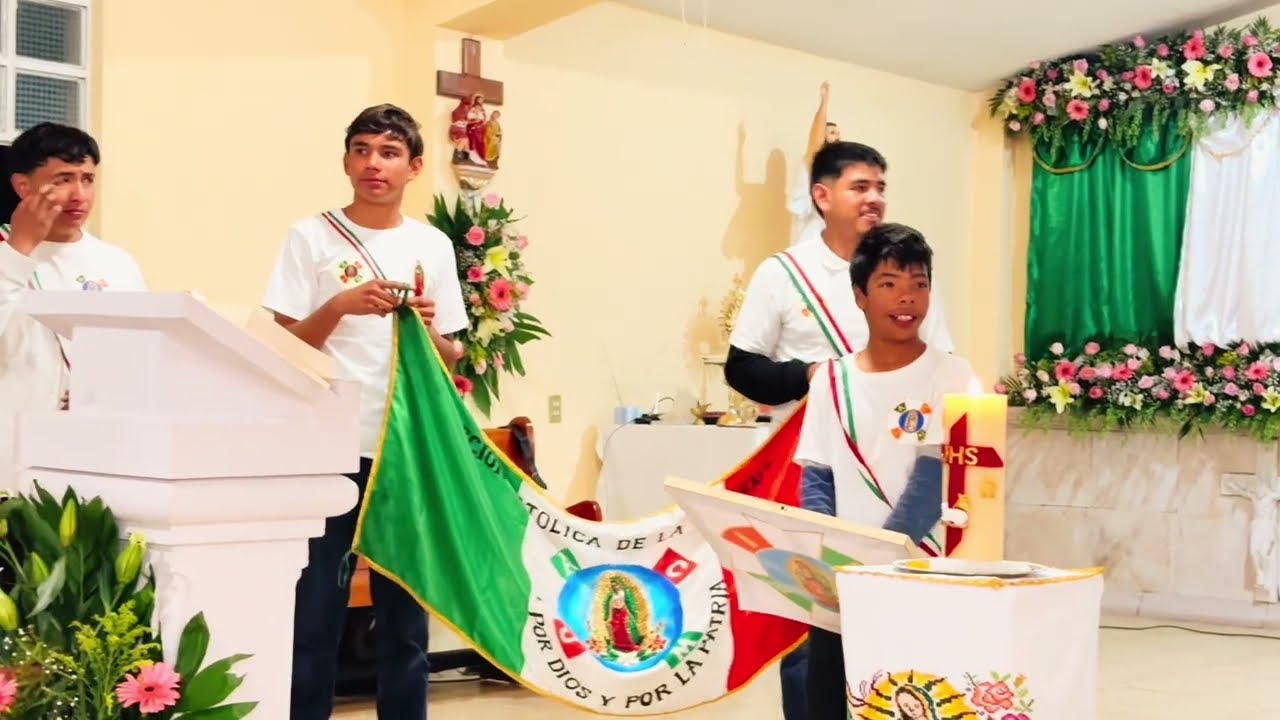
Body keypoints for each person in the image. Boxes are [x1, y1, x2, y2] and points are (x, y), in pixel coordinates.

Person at [724, 140, 953, 720]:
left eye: (881, 187)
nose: (874, 198)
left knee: (898, 622)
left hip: (897, 462)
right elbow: (742, 367)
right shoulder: (784, 274)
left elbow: (939, 360)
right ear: (822, 197)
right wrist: (818, 378)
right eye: (860, 187)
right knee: (814, 619)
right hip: (805, 464)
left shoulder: (907, 271)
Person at [261, 103, 469, 720]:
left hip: (406, 446)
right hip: (328, 445)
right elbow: (280, 345)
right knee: (314, 613)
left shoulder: (430, 244)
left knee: (405, 621)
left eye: (388, 153)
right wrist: (341, 305)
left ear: (414, 167)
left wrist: (433, 331)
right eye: (361, 150)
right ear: (346, 158)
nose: (372, 164)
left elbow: (452, 356)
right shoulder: (309, 236)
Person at [793, 223, 980, 720]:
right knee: (829, 699)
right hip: (841, 585)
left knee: (912, 701)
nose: (907, 298)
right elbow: (816, 479)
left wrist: (878, 567)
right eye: (889, 283)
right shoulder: (831, 379)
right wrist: (833, 564)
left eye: (919, 283)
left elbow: (932, 479)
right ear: (860, 295)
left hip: (920, 574)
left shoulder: (953, 375)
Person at [0, 123, 146, 489]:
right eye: (63, 179)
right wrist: (19, 249)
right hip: (11, 461)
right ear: (23, 186)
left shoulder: (118, 263)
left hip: (96, 457)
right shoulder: (6, 254)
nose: (78, 195)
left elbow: (142, 358)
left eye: (88, 179)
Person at [786, 81, 840, 247]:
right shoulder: (814, 158)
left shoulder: (835, 166)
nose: (837, 137)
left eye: (838, 133)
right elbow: (815, 138)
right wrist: (824, 102)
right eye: (832, 132)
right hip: (808, 232)